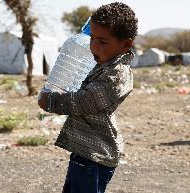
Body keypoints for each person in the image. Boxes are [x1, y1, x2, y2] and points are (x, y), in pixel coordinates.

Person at [38, 2, 138, 193]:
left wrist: (51, 101)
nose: (93, 46)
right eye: (92, 38)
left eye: (103, 41)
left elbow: (85, 101)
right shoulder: (104, 65)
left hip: (95, 155)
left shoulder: (116, 74)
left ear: (125, 45)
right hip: (85, 150)